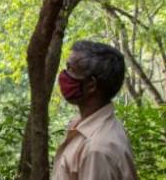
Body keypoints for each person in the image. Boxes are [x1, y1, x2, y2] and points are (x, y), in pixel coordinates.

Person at [53, 40, 139, 180]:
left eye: (70, 69)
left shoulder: (96, 150)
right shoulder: (87, 125)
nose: (63, 75)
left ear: (91, 85)